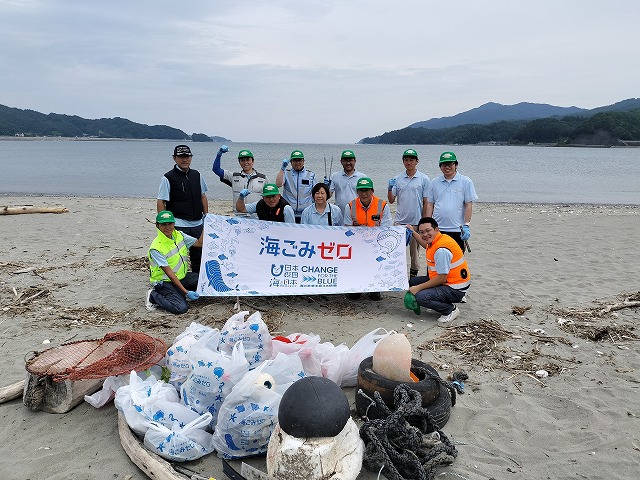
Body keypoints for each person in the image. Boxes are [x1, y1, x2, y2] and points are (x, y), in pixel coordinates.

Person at [405, 217, 471, 323]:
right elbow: (425, 244)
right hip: (447, 281)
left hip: (455, 288)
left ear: (436, 229)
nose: (425, 234)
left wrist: (417, 288)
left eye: (428, 231)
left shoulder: (441, 250)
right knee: (412, 282)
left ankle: (450, 310)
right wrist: (413, 232)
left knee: (420, 297)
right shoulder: (438, 239)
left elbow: (441, 278)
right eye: (422, 232)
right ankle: (437, 301)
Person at [157, 144, 208, 273]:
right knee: (179, 255)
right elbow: (161, 201)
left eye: (187, 156)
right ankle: (179, 281)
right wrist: (164, 223)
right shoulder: (168, 177)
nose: (185, 159)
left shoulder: (197, 175)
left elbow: (203, 196)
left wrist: (207, 216)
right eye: (181, 157)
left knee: (199, 255)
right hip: (179, 224)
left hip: (198, 223)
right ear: (174, 158)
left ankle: (197, 281)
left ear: (191, 158)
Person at [146, 210, 204, 314]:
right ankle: (153, 296)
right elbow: (170, 274)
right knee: (180, 308)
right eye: (163, 224)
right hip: (165, 282)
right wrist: (185, 292)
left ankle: (177, 292)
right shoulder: (156, 247)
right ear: (157, 225)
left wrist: (205, 225)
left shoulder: (179, 235)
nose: (167, 227)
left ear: (174, 223)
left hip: (181, 277)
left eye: (170, 224)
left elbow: (199, 243)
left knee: (204, 280)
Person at [344, 177, 391, 301]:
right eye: (361, 190)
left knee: (376, 266)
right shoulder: (350, 206)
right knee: (357, 266)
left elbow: (386, 229)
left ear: (372, 191)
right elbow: (347, 230)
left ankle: (374, 289)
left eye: (367, 190)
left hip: (376, 243)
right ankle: (357, 287)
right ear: (357, 192)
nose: (364, 193)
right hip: (357, 243)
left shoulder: (383, 205)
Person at [387, 148, 430, 278]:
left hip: (416, 221)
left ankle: (413, 277)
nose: (409, 162)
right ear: (403, 162)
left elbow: (426, 201)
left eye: (411, 160)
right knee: (395, 250)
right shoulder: (398, 179)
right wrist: (389, 188)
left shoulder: (424, 179)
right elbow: (391, 199)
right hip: (400, 221)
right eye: (406, 160)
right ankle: (395, 275)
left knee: (414, 253)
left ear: (417, 161)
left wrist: (424, 220)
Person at [426, 151, 478, 253]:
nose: (447, 167)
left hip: (457, 230)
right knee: (435, 260)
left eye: (450, 164)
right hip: (438, 229)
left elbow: (468, 205)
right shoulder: (434, 182)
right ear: (440, 166)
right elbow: (430, 204)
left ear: (456, 165)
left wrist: (466, 224)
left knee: (455, 263)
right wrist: (428, 223)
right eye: (444, 164)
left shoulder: (465, 181)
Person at [211, 145, 269, 215]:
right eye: (242, 160)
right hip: (239, 216)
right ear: (239, 162)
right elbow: (216, 169)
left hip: (257, 216)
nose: (245, 162)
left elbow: (269, 197)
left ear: (253, 161)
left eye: (248, 160)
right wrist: (219, 154)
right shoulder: (234, 177)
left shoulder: (263, 178)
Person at [276, 149, 315, 223]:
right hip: (289, 213)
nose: (297, 163)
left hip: (306, 213)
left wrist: (326, 186)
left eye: (299, 160)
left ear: (303, 161)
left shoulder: (311, 174)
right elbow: (278, 184)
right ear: (291, 162)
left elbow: (316, 193)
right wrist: (282, 169)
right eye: (295, 160)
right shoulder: (286, 173)